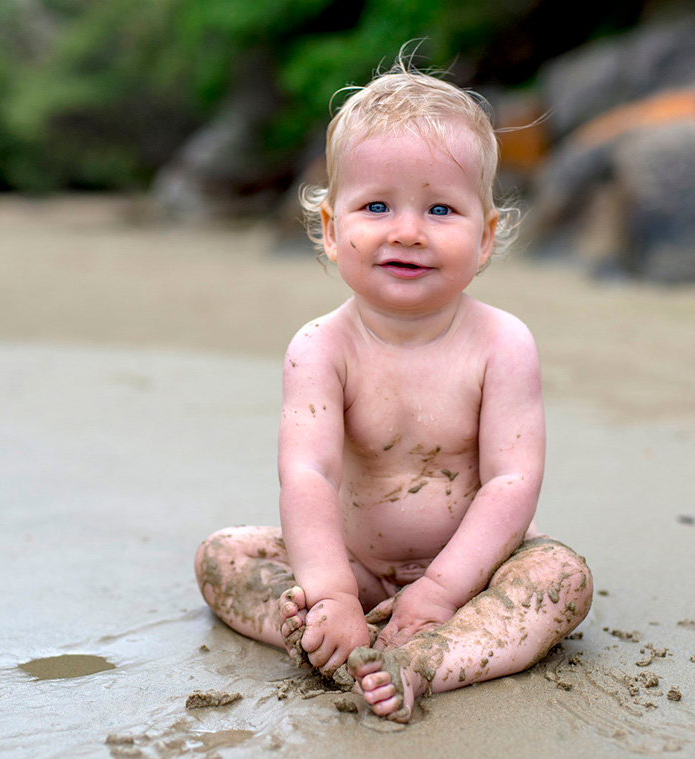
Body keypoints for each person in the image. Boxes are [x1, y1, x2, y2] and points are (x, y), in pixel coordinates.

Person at [194, 56, 593, 723]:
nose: (407, 231)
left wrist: (439, 591)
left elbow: (511, 483)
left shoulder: (503, 345)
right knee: (224, 556)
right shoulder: (321, 347)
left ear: (486, 236)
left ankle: (431, 657)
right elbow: (310, 473)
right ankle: (324, 635)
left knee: (561, 578)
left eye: (441, 208)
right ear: (329, 228)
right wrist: (329, 593)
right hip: (351, 562)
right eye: (376, 205)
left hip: (472, 572)